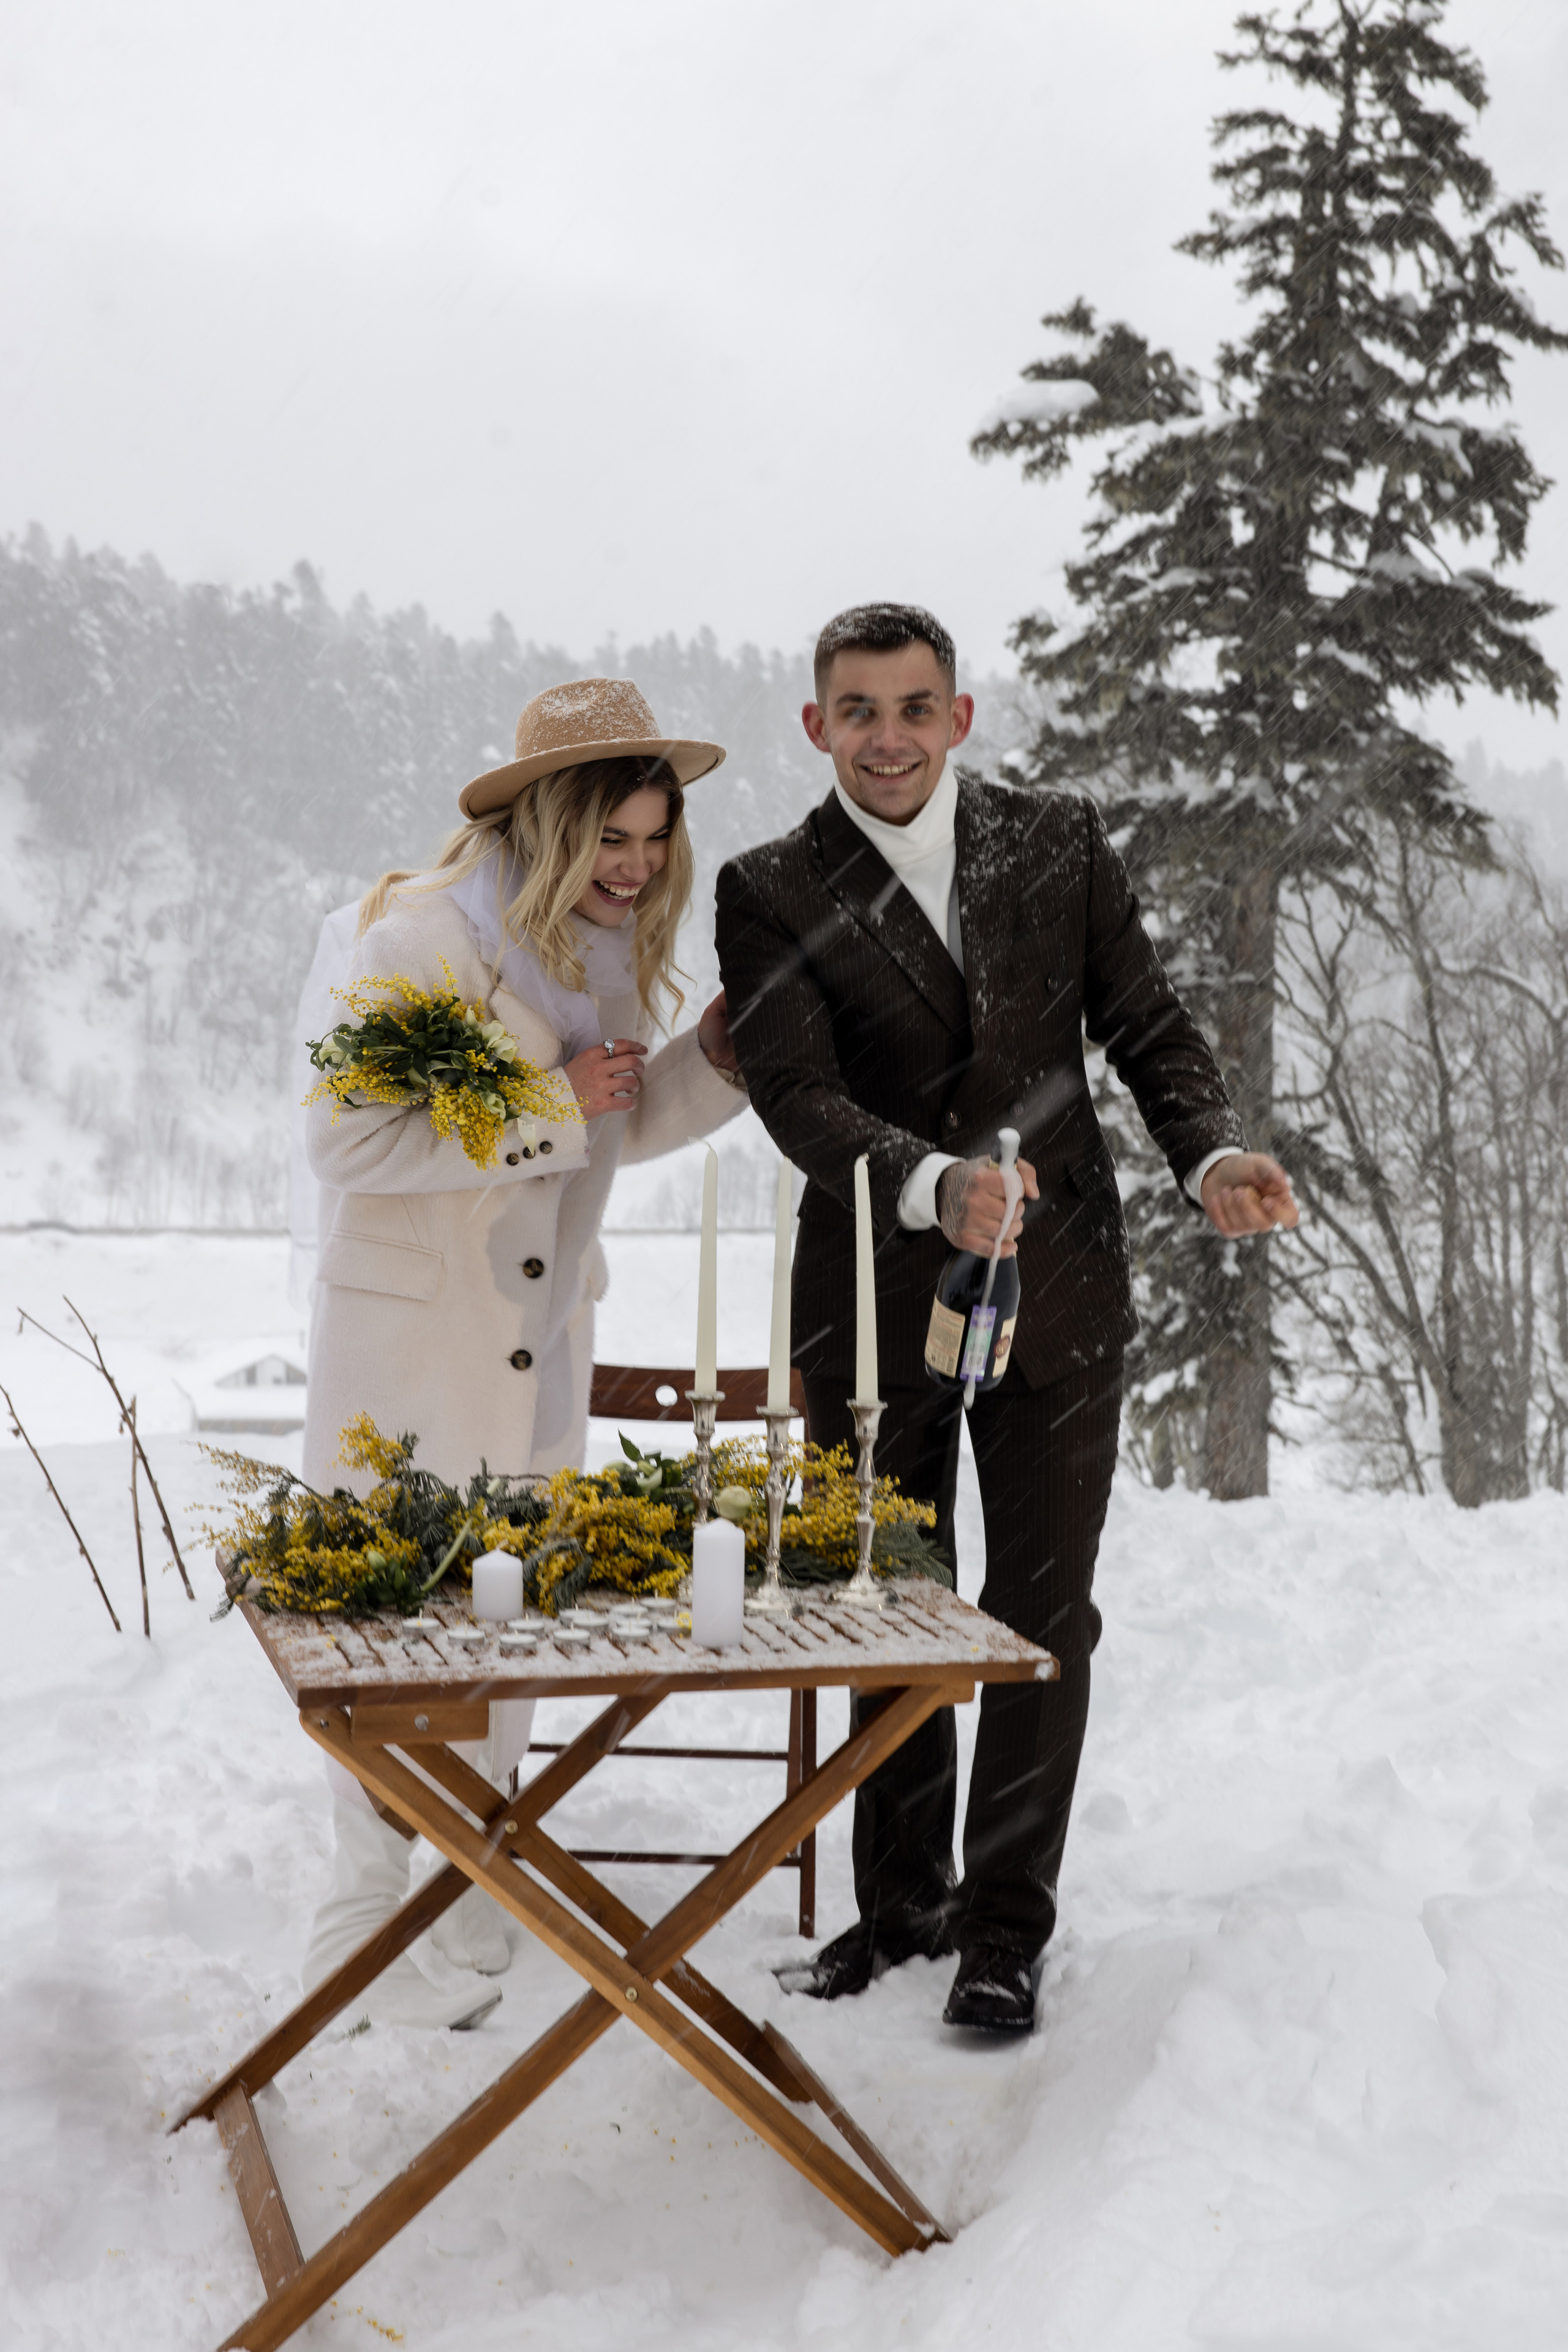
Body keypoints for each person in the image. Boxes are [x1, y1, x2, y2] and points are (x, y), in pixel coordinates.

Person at [715, 605, 1297, 2033]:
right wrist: (931, 1185)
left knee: (1041, 1616)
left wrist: (1211, 1154)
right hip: (870, 1295)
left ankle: (1001, 1930)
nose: (888, 737)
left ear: (959, 717)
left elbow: (1143, 1021)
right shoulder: (767, 886)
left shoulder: (1057, 841)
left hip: (1061, 1286)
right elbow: (795, 1094)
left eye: (914, 707)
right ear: (816, 726)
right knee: (886, 1606)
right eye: (858, 711)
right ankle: (899, 1908)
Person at [300, 676, 747, 2027]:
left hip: (538, 1337)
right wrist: (553, 1100)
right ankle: (357, 1916)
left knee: (505, 1614)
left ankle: (469, 1874)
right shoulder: (422, 938)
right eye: (611, 838)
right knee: (390, 1624)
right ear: (549, 825)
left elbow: (613, 1124)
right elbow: (348, 1140)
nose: (637, 866)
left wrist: (710, 1061)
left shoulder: (598, 951)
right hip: (413, 1341)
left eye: (655, 840)